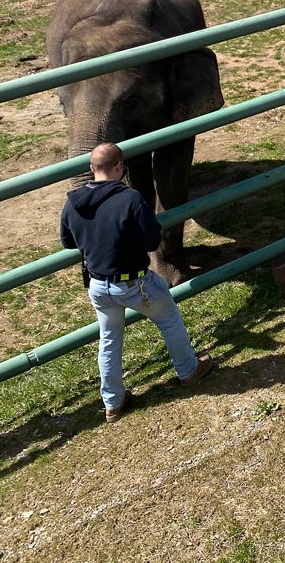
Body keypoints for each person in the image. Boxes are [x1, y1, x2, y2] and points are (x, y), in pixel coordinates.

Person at [60, 142, 213, 422]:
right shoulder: (130, 199)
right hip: (135, 283)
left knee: (109, 340)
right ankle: (189, 371)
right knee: (169, 320)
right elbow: (152, 240)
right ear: (120, 166)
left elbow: (68, 241)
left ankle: (113, 403)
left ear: (92, 169)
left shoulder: (73, 201)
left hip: (98, 286)